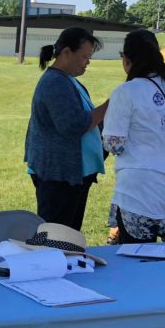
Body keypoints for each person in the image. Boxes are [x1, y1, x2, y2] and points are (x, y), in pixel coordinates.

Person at [103, 29, 165, 328]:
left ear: (127, 60)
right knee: (156, 257)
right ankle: (150, 324)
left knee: (134, 259)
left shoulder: (127, 92)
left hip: (140, 189)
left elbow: (113, 142)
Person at [24, 27, 108, 231]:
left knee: (68, 235)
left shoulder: (67, 80)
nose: (87, 61)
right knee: (57, 237)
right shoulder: (55, 82)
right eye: (84, 56)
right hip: (58, 176)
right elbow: (73, 125)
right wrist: (111, 105)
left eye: (89, 57)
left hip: (69, 175)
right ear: (66, 53)